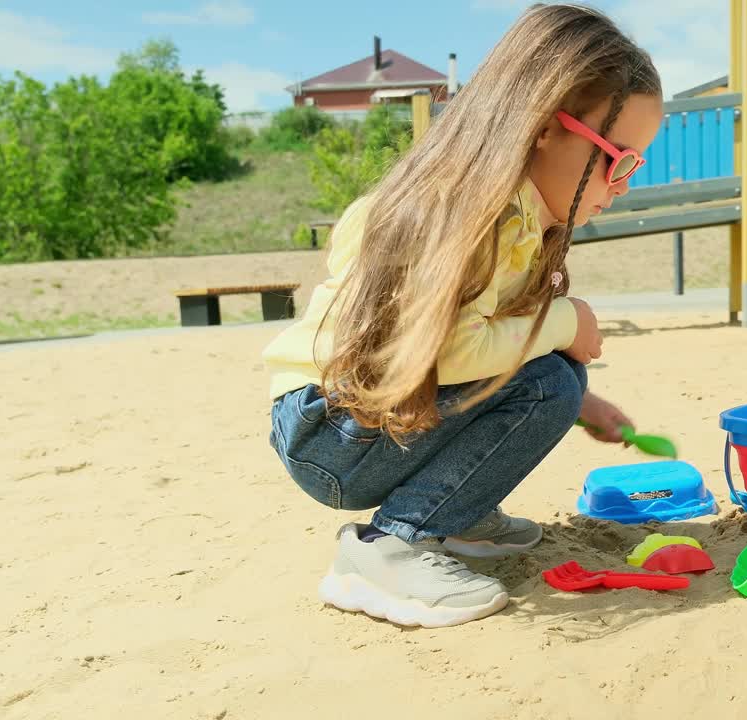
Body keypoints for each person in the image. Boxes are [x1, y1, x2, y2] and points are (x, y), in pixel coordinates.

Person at [262, 3, 663, 628]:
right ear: (543, 127)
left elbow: (480, 349)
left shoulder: (515, 214)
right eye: (620, 160)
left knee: (557, 379)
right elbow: (448, 354)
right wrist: (566, 321)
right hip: (330, 427)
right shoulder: (462, 217)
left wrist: (579, 398)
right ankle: (388, 549)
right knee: (551, 376)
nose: (625, 184)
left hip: (351, 419)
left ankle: (458, 510)